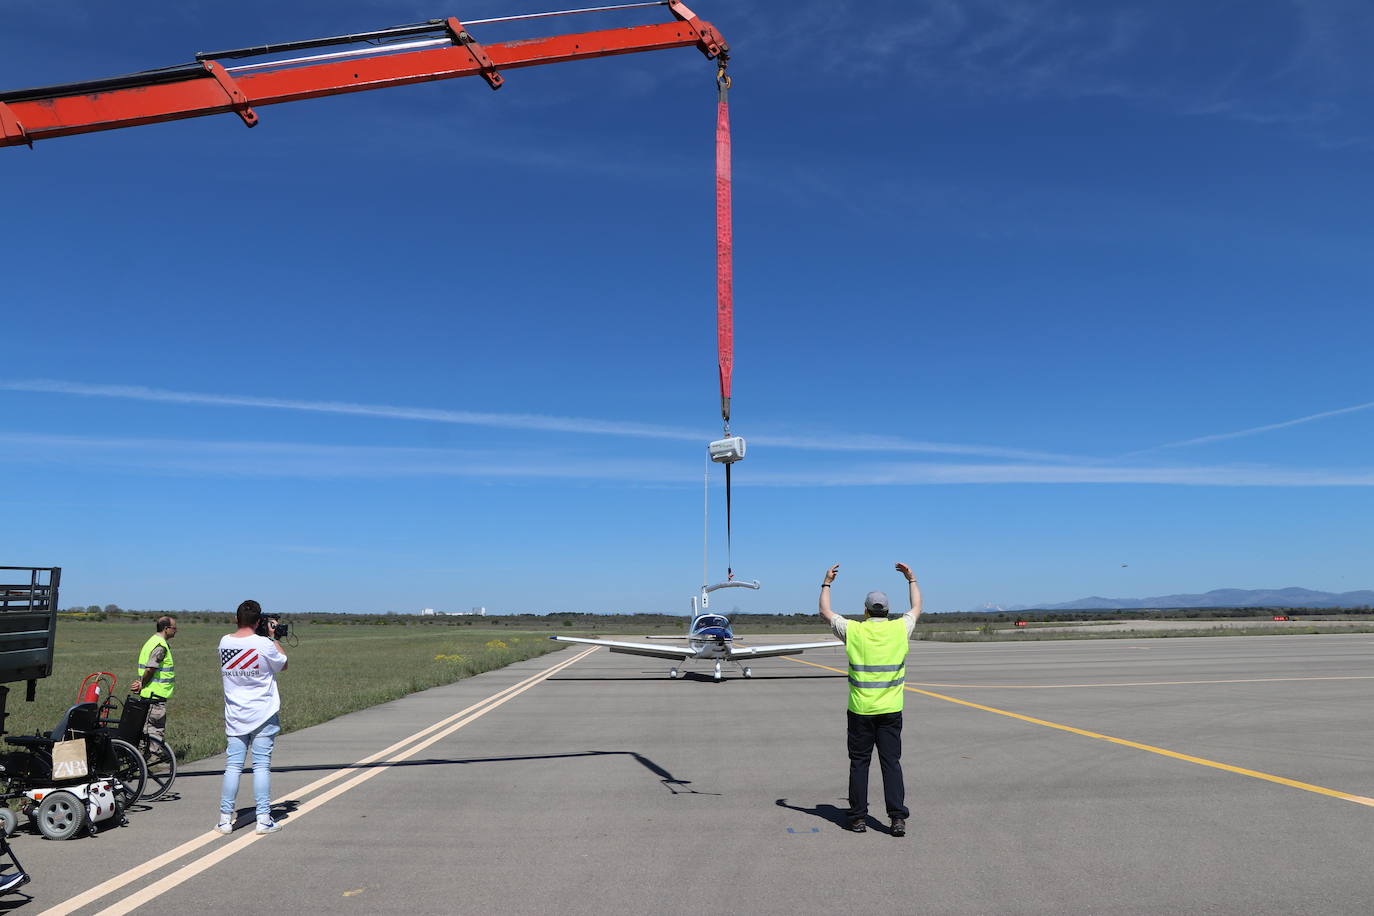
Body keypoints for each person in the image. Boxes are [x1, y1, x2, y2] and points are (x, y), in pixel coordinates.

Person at [818, 561, 922, 836]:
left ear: (865, 611)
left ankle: (857, 818)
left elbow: (825, 612)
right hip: (891, 710)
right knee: (891, 764)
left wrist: (826, 582)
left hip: (860, 710)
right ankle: (897, 818)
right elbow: (916, 609)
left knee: (859, 764)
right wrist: (911, 579)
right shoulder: (900, 628)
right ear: (887, 611)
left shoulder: (854, 630)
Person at [216, 600, 288, 836]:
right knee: (261, 767)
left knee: (233, 766)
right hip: (263, 713)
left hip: (235, 714)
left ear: (236, 619)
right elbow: (283, 664)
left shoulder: (224, 642)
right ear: (259, 621)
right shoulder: (264, 644)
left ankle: (225, 819)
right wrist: (273, 636)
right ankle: (263, 819)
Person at [130, 616, 177, 742]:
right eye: (174, 628)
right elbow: (151, 669)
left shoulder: (152, 641)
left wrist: (141, 683)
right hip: (154, 697)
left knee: (146, 730)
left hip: (149, 694)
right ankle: (154, 758)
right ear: (166, 629)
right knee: (154, 732)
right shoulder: (160, 646)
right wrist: (141, 683)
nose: (176, 631)